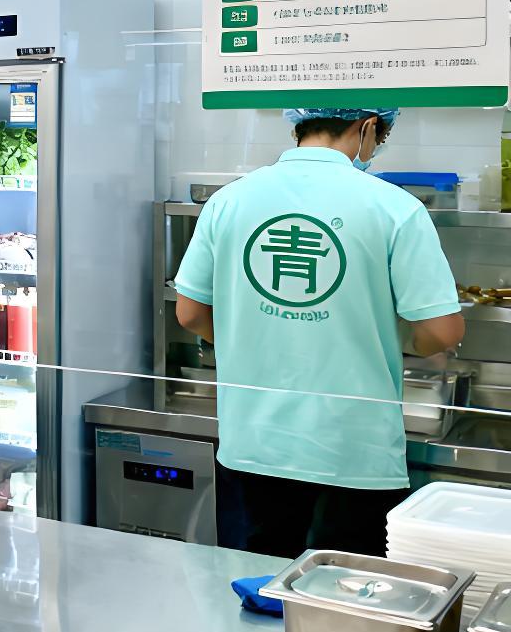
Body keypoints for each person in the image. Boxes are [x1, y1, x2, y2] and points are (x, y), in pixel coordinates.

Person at [172, 106, 464, 559]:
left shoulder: (230, 200)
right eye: (379, 139)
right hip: (353, 452)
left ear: (299, 125)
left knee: (252, 587)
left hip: (253, 444)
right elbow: (443, 330)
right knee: (341, 595)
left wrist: (249, 338)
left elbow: (190, 313)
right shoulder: (395, 207)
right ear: (368, 127)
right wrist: (404, 343)